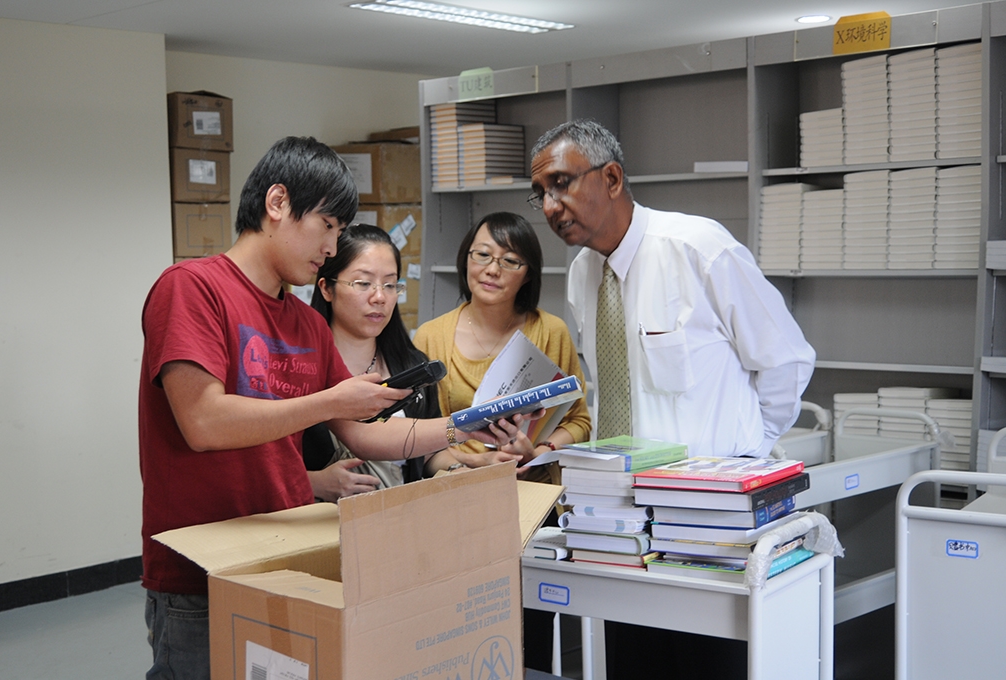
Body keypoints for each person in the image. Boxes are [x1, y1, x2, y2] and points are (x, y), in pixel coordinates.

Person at [139, 136, 530, 680]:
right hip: (200, 569)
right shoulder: (191, 288)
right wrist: (329, 399)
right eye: (327, 226)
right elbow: (203, 422)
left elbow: (366, 434)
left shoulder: (305, 323)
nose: (331, 245)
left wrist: (464, 426)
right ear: (278, 203)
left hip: (289, 556)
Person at [529, 120, 816, 678]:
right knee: (634, 661)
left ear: (612, 178)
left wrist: (745, 457)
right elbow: (610, 386)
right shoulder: (583, 273)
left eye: (561, 183)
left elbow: (787, 359)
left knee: (712, 664)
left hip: (712, 526)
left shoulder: (697, 248)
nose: (549, 205)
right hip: (622, 525)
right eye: (540, 192)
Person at [413, 211, 591, 481]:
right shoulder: (430, 337)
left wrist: (538, 452)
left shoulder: (551, 332)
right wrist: (473, 464)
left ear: (528, 274)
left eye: (510, 261)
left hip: (536, 487)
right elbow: (418, 435)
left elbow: (579, 422)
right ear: (465, 259)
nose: (492, 270)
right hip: (458, 483)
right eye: (482, 255)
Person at [302, 223, 437, 500]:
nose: (379, 297)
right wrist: (312, 482)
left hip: (402, 515)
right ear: (327, 288)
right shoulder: (301, 366)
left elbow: (429, 454)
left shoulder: (412, 365)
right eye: (363, 283)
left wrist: (463, 462)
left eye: (390, 285)